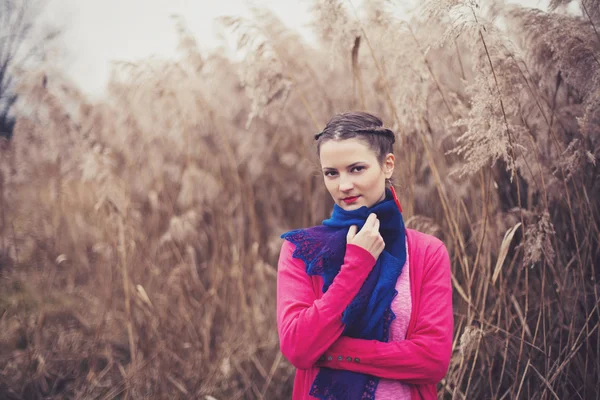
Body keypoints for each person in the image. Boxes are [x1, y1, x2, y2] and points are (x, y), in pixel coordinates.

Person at [276, 111, 453, 400]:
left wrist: (334, 353)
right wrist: (355, 266)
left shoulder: (427, 253)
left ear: (387, 165)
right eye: (331, 173)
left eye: (356, 169)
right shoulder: (302, 251)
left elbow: (432, 360)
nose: (343, 185)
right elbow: (298, 347)